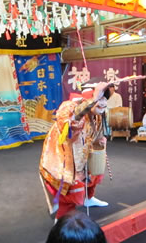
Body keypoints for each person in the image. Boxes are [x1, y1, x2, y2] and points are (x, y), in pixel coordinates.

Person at [39, 82, 110, 220]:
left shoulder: (97, 113)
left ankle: (89, 198)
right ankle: (62, 219)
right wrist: (94, 98)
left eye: (104, 99)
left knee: (94, 172)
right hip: (63, 158)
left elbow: (94, 133)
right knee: (71, 187)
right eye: (100, 99)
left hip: (83, 155)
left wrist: (99, 140)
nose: (103, 103)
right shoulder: (69, 107)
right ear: (89, 97)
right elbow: (72, 124)